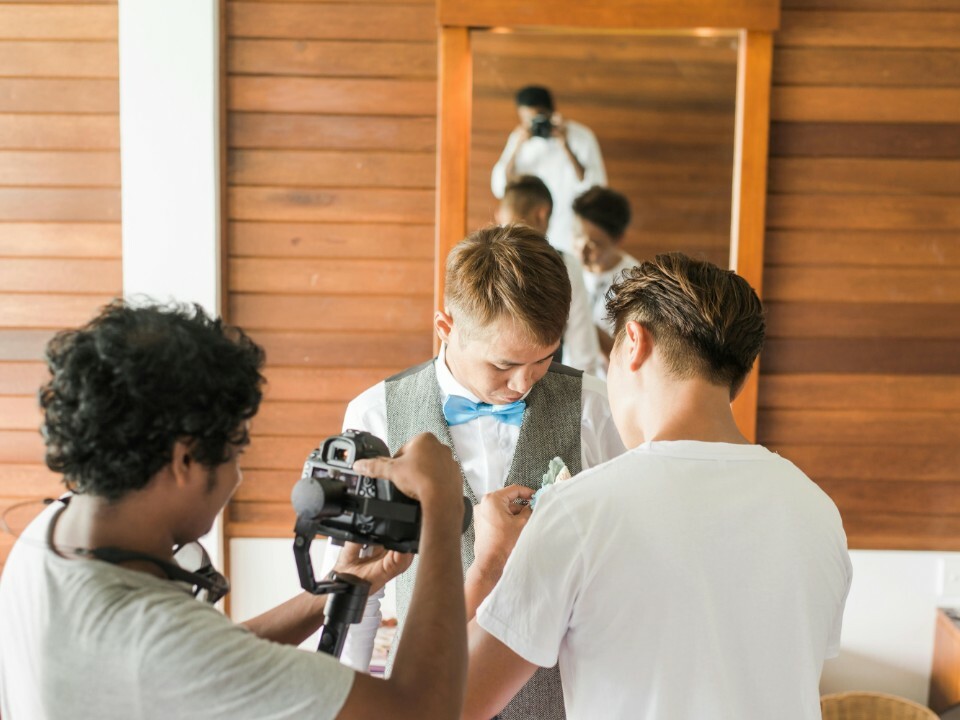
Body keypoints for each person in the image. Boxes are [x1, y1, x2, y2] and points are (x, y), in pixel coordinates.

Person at [0, 300, 469, 720]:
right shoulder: (150, 641)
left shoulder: (50, 535)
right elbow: (422, 710)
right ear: (185, 460)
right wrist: (442, 512)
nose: (236, 477)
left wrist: (336, 592)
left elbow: (208, 656)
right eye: (233, 452)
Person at [462, 253, 853, 720]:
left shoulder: (580, 510)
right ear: (741, 373)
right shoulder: (817, 511)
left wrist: (487, 566)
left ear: (633, 342)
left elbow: (455, 702)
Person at [338, 225, 626, 720]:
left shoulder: (597, 408)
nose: (523, 383)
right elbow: (357, 586)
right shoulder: (375, 416)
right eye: (504, 364)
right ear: (446, 327)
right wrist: (348, 699)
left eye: (543, 359)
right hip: (430, 699)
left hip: (571, 702)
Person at [496, 175, 601, 376]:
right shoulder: (565, 265)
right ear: (542, 214)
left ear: (500, 212)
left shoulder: (475, 260)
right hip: (543, 386)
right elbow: (584, 353)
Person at [491, 85, 606, 254]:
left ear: (551, 113)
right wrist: (517, 147)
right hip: (530, 230)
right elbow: (500, 187)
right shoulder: (519, 139)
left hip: (569, 229)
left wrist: (565, 145)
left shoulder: (581, 136)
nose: (532, 125)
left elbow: (595, 187)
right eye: (526, 120)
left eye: (537, 119)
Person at [572, 185, 639, 373]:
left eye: (594, 244)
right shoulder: (568, 267)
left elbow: (629, 357)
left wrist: (579, 319)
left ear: (619, 239)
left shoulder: (634, 283)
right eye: (577, 237)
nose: (582, 252)